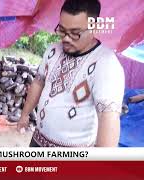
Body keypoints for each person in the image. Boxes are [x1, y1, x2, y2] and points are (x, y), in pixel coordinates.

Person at [17, 0, 125, 147]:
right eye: (62, 30)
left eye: (75, 33)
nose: (66, 38)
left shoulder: (106, 64)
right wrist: (24, 115)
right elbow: (38, 82)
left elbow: (108, 118)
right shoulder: (53, 50)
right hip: (38, 141)